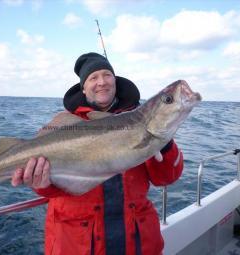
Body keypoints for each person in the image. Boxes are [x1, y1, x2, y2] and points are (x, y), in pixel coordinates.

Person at [11, 52, 184, 255]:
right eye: (93, 78)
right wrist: (42, 185)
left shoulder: (141, 120)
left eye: (107, 75)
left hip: (136, 242)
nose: (101, 82)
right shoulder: (64, 128)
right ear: (83, 88)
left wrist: (161, 144)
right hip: (78, 244)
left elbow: (166, 178)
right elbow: (56, 190)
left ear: (115, 81)